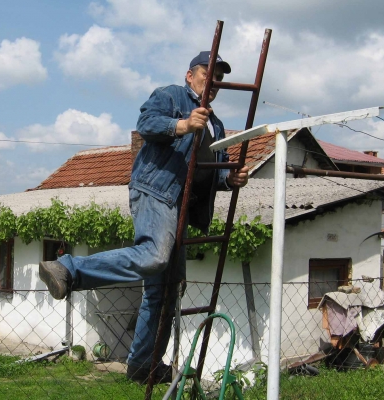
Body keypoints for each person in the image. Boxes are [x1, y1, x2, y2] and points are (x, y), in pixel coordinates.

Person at [39, 51, 250, 384]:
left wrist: (229, 178)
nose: (214, 83)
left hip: (181, 205)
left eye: (220, 79)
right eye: (208, 74)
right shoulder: (172, 96)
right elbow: (146, 123)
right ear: (190, 75)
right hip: (155, 191)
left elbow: (212, 170)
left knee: (166, 290)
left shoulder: (217, 125)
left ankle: (142, 365)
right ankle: (68, 268)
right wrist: (182, 125)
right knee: (154, 256)